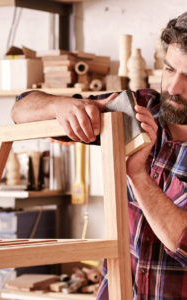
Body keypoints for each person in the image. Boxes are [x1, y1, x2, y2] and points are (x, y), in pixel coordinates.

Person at [11, 12, 187, 299]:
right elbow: (21, 110)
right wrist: (63, 107)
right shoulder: (140, 110)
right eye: (169, 70)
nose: (172, 87)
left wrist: (138, 175)